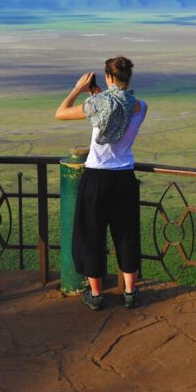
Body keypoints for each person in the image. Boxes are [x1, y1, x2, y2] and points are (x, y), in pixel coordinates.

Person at [55, 56, 146, 310]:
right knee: (126, 234)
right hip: (125, 177)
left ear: (108, 77)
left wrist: (78, 89)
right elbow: (118, 111)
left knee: (91, 234)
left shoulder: (97, 104)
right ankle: (130, 292)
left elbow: (60, 113)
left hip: (96, 177)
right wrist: (98, 94)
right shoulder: (141, 106)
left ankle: (95, 295)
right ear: (128, 77)